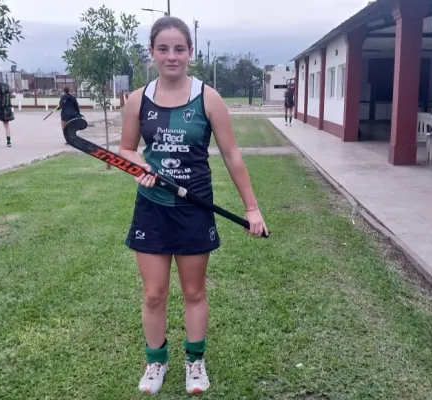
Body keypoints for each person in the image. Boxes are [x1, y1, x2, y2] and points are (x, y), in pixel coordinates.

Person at [119, 15, 268, 396]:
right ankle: (156, 362)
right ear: (152, 52)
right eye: (163, 49)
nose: (172, 56)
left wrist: (251, 208)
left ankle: (194, 360)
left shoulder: (208, 98)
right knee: (153, 293)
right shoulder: (138, 99)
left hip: (194, 207)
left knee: (194, 291)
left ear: (190, 53)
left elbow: (232, 155)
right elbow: (125, 150)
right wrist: (138, 169)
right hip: (152, 207)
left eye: (179, 49)